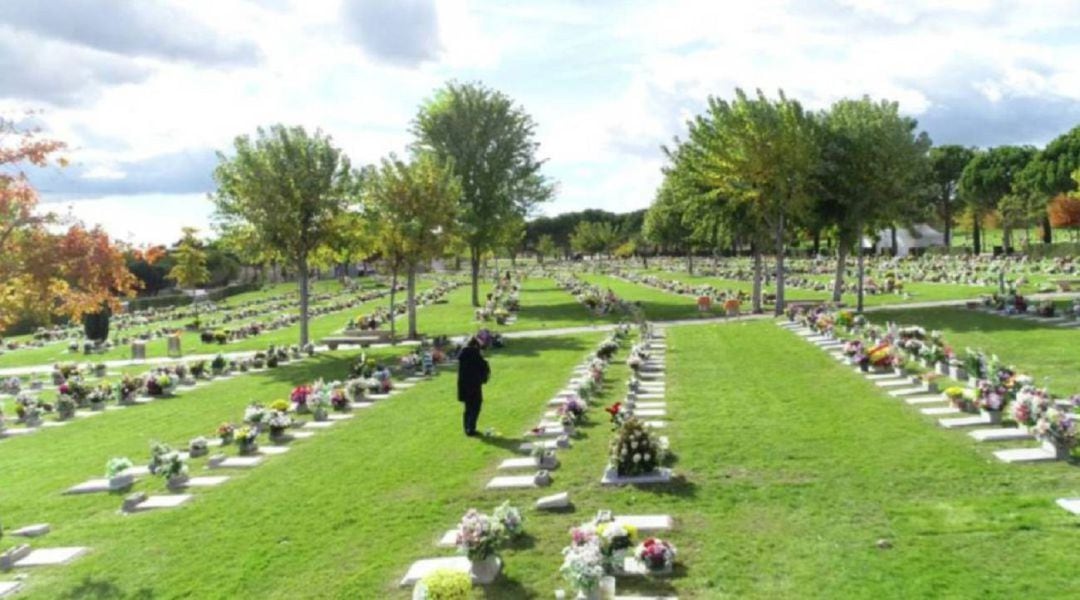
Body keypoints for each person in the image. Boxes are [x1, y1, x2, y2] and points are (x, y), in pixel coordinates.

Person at [457, 337, 490, 437]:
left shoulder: (463, 354)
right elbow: (483, 366)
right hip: (474, 384)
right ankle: (471, 428)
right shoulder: (475, 354)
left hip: (464, 384)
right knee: (476, 406)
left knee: (468, 407)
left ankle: (467, 427)